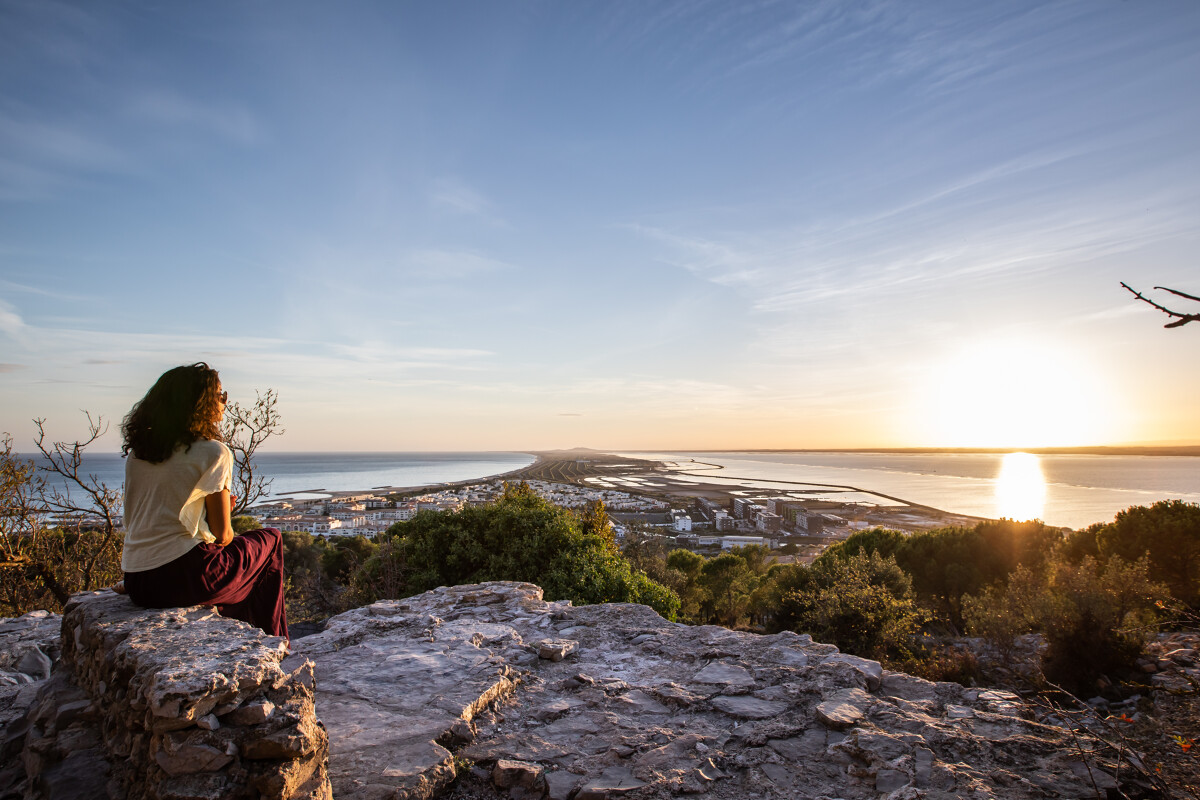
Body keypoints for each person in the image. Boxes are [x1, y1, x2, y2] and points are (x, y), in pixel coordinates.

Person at [116, 362, 288, 641]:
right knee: (270, 539)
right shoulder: (213, 452)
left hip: (138, 581)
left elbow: (140, 518)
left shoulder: (139, 454)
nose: (224, 401)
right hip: (187, 579)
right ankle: (272, 641)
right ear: (200, 403)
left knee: (236, 559)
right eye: (219, 395)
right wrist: (223, 516)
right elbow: (223, 536)